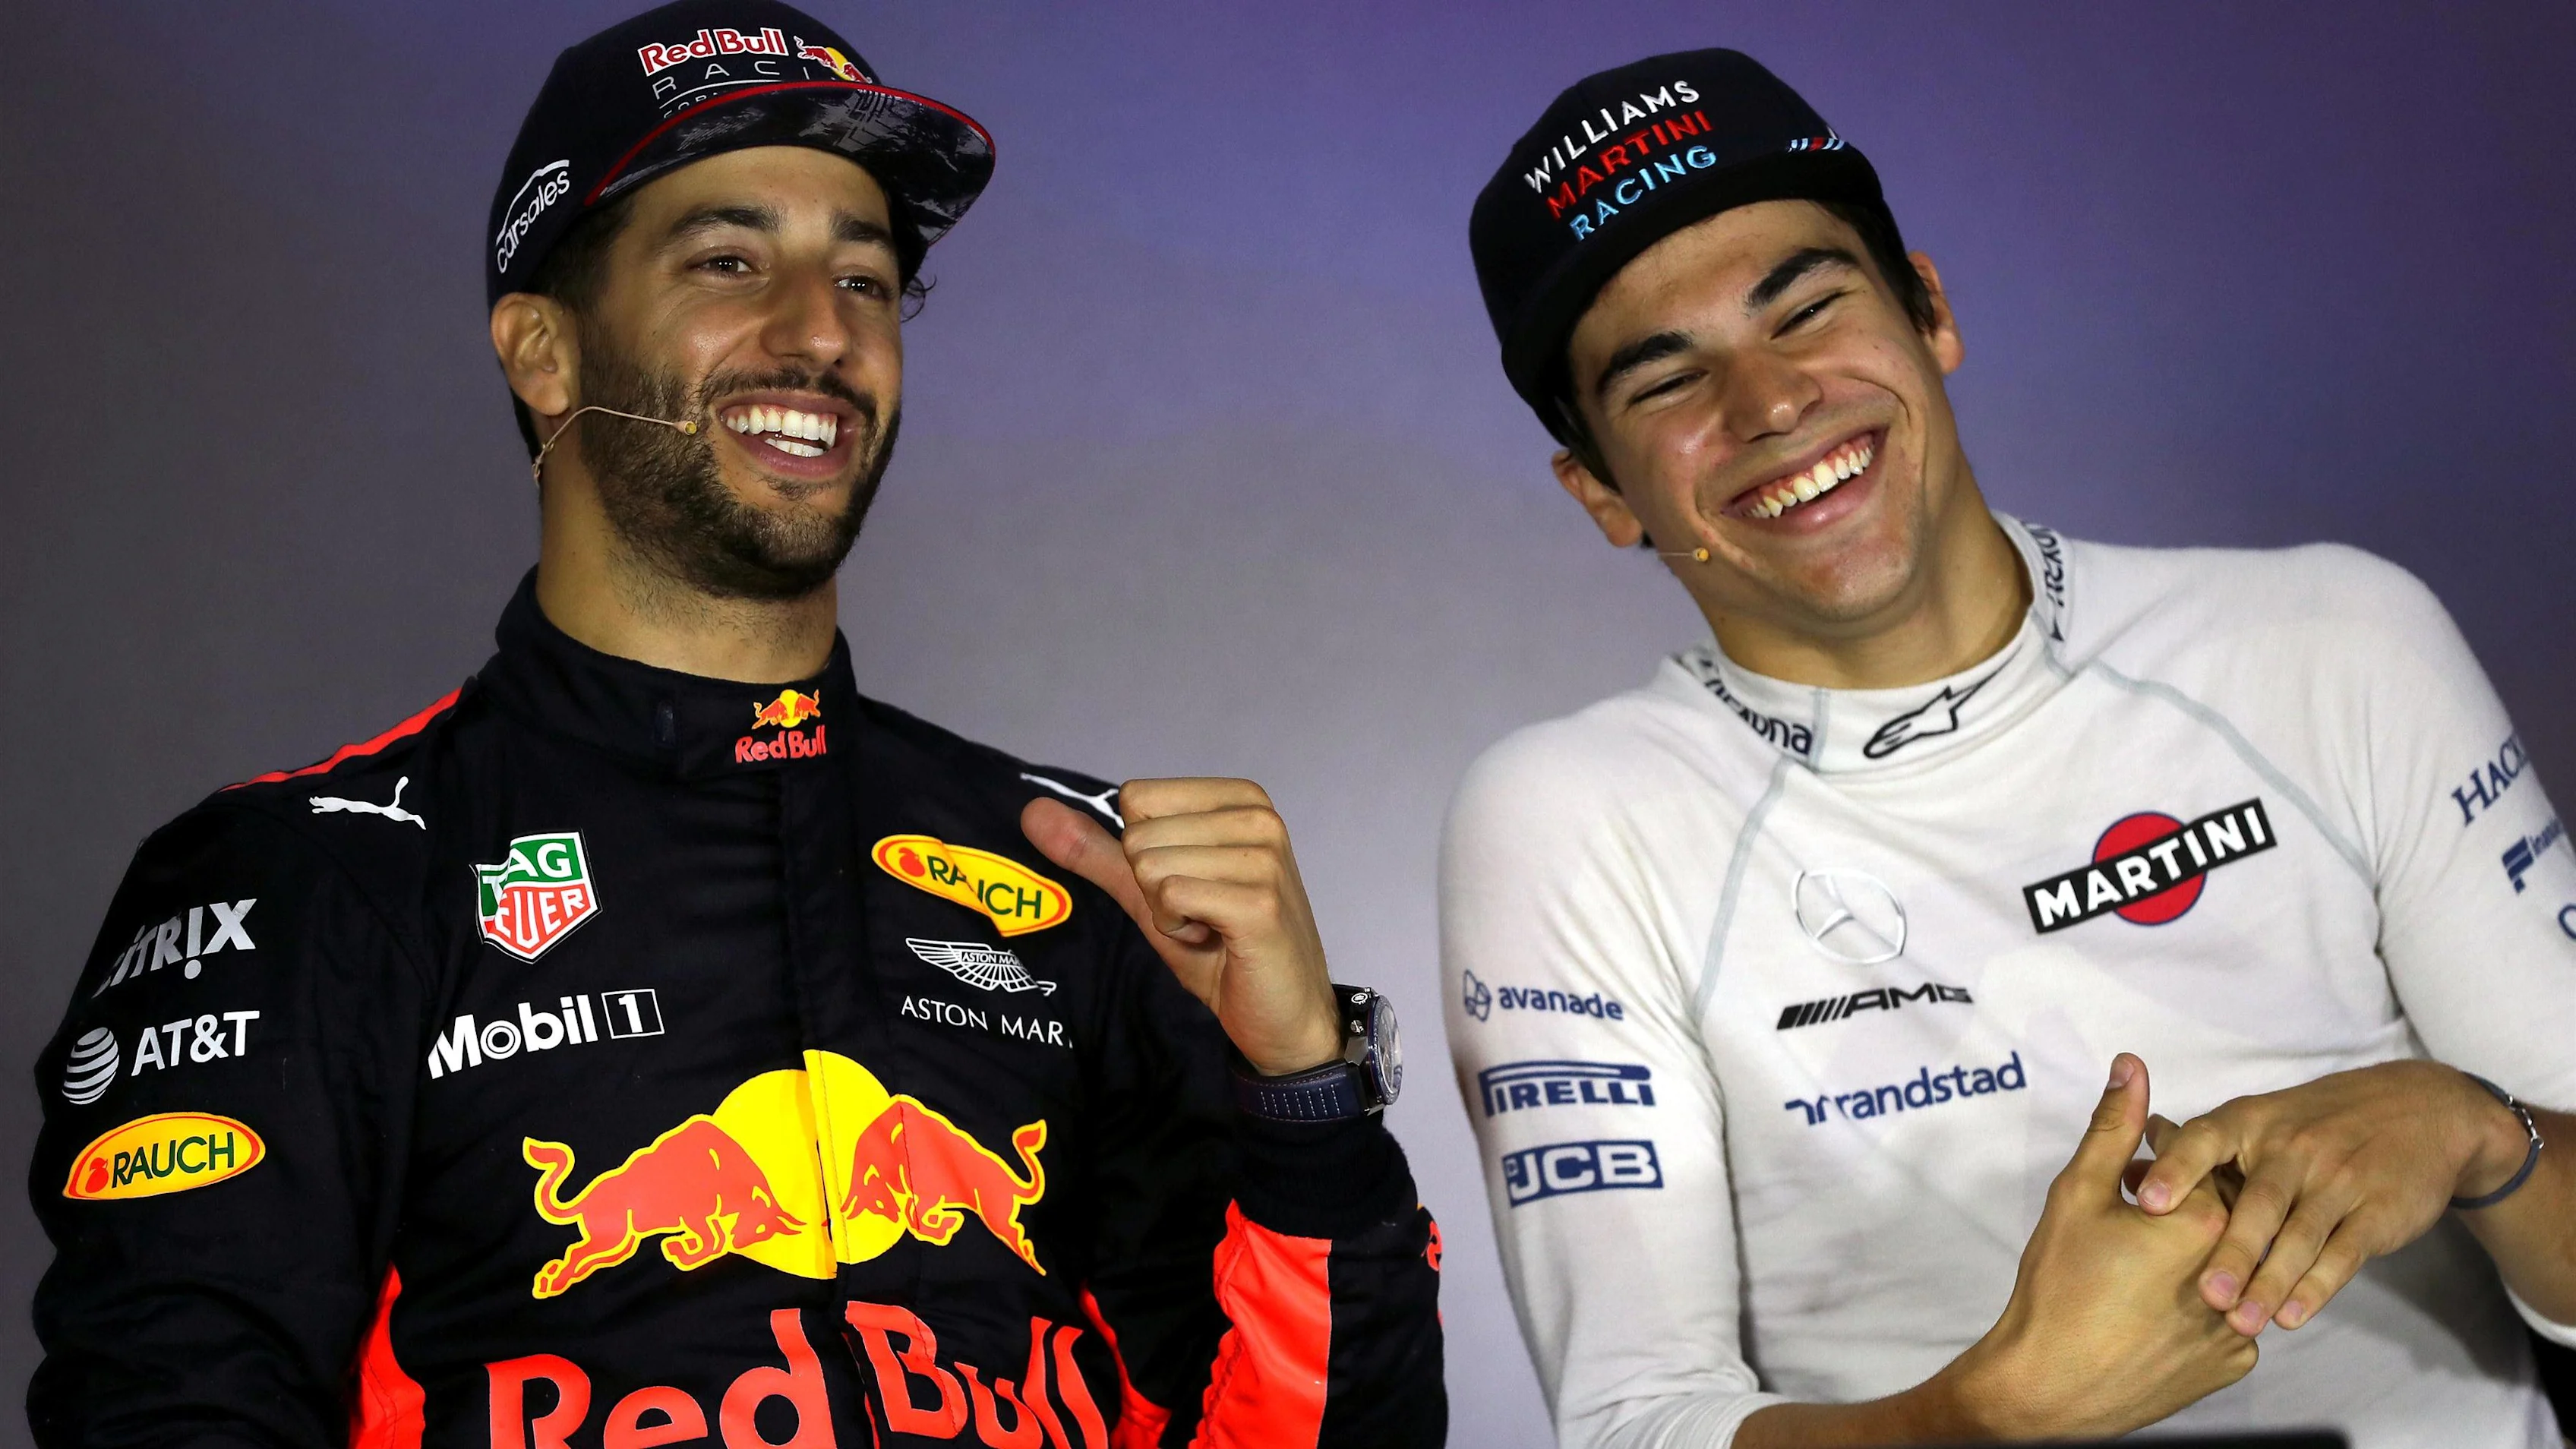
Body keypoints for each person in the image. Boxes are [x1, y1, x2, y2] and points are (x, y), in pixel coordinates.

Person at [28, 5, 1443, 1445]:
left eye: (869, 279)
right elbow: (175, 1406)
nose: (823, 334)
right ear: (545, 354)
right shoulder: (302, 876)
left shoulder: (1093, 871)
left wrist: (1306, 1097)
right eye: (728, 261)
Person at [1444, 47, 2576, 1449]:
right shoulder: (1573, 819)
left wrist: (2476, 1136)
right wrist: (1981, 1418)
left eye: (1807, 307)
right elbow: (1634, 1426)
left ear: (1930, 310)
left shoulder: (2337, 639)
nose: (1773, 402)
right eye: (1667, 382)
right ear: (1601, 493)